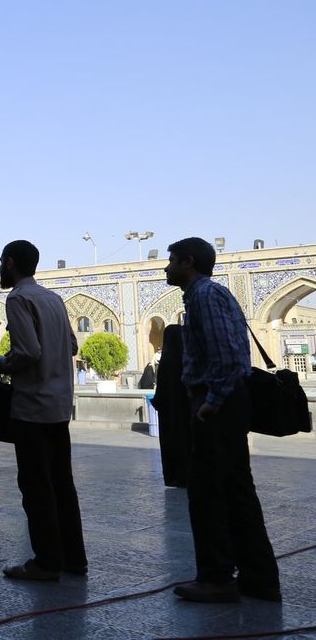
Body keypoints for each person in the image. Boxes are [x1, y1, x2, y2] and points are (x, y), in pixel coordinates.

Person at [165, 237, 280, 603]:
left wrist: (211, 402)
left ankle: (216, 577)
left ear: (189, 261)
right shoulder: (211, 294)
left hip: (220, 404)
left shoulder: (203, 296)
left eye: (171, 261)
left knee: (208, 494)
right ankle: (257, 578)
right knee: (235, 491)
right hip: (228, 401)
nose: (166, 268)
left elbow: (227, 356)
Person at [0, 240, 87, 582]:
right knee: (61, 483)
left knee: (36, 485)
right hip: (58, 406)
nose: (1, 269)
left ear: (11, 263)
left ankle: (47, 561)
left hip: (32, 407)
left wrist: (0, 363)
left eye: (2, 263)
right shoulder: (53, 298)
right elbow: (73, 345)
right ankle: (73, 558)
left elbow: (28, 352)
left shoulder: (18, 298)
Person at [151, 324, 192, 488]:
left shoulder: (166, 362)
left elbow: (160, 391)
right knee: (188, 442)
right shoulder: (188, 361)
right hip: (187, 412)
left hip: (169, 414)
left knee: (172, 444)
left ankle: (174, 477)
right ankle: (189, 474)